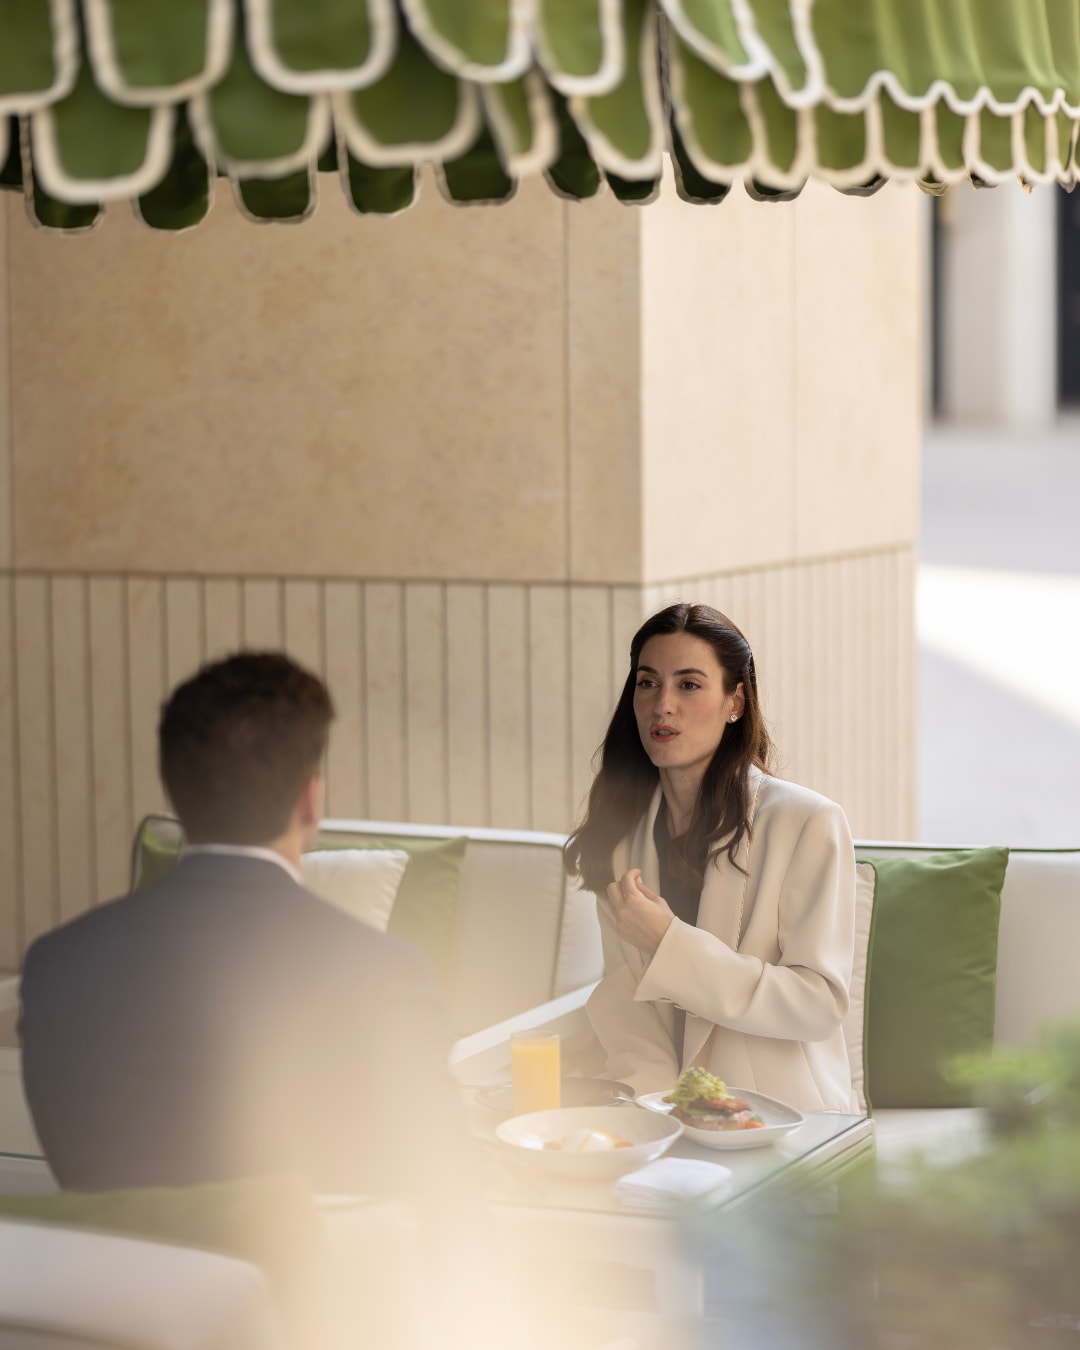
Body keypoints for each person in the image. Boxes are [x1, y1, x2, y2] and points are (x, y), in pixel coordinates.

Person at [18, 651, 479, 1201]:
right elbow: (449, 1199)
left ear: (175, 790)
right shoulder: (386, 975)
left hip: (109, 1261)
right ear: (310, 800)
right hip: (317, 1260)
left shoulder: (54, 966)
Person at [564, 603, 856, 1114]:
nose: (663, 706)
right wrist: (655, 1116)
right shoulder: (621, 836)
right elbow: (627, 1004)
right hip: (668, 1112)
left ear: (734, 702)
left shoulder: (806, 822)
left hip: (782, 1118)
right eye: (648, 683)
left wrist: (669, 944)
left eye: (689, 685)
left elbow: (817, 1005)